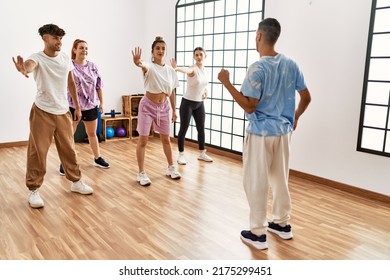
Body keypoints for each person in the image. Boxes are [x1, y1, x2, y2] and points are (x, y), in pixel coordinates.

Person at [218, 18, 312, 250]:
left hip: (260, 134)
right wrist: (295, 117)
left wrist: (226, 83)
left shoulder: (257, 68)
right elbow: (307, 97)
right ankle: (282, 224)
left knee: (256, 181)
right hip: (283, 133)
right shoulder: (291, 64)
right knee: (280, 179)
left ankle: (258, 233)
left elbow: (250, 105)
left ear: (259, 35)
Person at [12, 24, 94, 209]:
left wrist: (77, 107)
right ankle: (33, 190)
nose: (59, 42)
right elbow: (29, 65)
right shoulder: (37, 58)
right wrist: (23, 68)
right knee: (38, 152)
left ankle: (76, 182)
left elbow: (71, 83)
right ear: (45, 38)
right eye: (55, 38)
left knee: (69, 150)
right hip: (42, 111)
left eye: (60, 38)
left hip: (63, 111)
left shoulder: (65, 58)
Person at [131, 36, 181, 186]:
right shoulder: (149, 66)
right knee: (143, 140)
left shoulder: (170, 71)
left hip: (164, 107)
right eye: (157, 48)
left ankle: (171, 167)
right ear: (152, 52)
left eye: (163, 48)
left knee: (166, 139)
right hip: (147, 106)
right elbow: (143, 65)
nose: (160, 51)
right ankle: (141, 173)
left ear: (165, 52)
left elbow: (171, 91)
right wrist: (137, 62)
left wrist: (173, 110)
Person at [59, 39, 110, 176]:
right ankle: (65, 162)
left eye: (86, 48)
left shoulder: (93, 66)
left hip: (91, 105)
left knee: (92, 134)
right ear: (74, 49)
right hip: (74, 106)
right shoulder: (70, 66)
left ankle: (97, 158)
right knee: (70, 135)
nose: (84, 50)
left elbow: (99, 86)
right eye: (81, 48)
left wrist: (102, 103)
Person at [170, 47, 213, 165]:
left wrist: (206, 91)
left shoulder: (206, 71)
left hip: (199, 103)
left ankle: (202, 153)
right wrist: (177, 68)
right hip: (187, 103)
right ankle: (181, 154)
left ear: (205, 56)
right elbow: (186, 71)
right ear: (194, 57)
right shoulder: (192, 69)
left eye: (201, 55)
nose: (199, 57)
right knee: (183, 129)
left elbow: (204, 84)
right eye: (196, 55)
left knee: (201, 128)